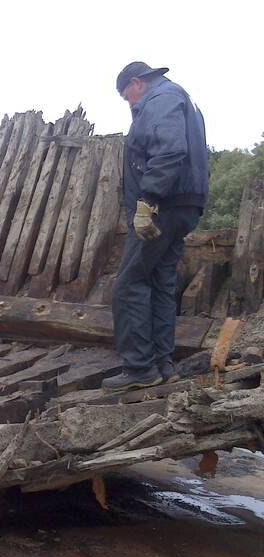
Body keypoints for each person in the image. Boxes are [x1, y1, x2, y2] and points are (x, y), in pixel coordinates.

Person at [103, 62, 209, 391]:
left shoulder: (160, 99)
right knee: (161, 280)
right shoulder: (185, 102)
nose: (130, 104)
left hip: (163, 204)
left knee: (129, 284)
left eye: (127, 97)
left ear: (137, 82)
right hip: (185, 204)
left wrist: (148, 200)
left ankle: (138, 368)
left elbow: (169, 150)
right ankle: (164, 364)